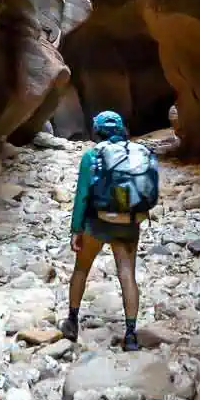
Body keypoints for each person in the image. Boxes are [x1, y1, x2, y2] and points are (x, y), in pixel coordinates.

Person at [63, 111, 145, 350]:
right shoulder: (136, 154)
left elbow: (82, 196)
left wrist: (76, 229)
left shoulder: (92, 156)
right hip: (128, 224)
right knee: (127, 274)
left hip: (96, 223)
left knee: (81, 269)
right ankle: (130, 335)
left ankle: (72, 322)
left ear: (96, 131)